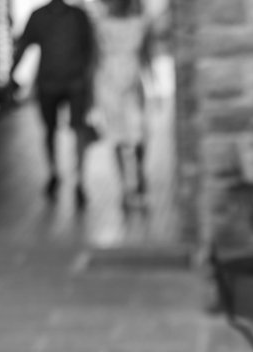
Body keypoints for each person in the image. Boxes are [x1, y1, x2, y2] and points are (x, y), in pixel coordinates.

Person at [10, 0, 98, 207]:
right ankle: (54, 172)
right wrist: (11, 74)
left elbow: (91, 49)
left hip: (75, 83)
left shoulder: (78, 16)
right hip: (49, 83)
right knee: (50, 130)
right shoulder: (39, 16)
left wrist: (89, 79)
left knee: (78, 129)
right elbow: (24, 45)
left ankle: (79, 179)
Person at [92, 0, 154, 208]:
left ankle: (138, 173)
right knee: (117, 136)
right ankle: (124, 186)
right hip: (110, 84)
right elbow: (95, 57)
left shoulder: (140, 24)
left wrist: (154, 84)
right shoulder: (100, 25)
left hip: (133, 84)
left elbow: (146, 56)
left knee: (139, 133)